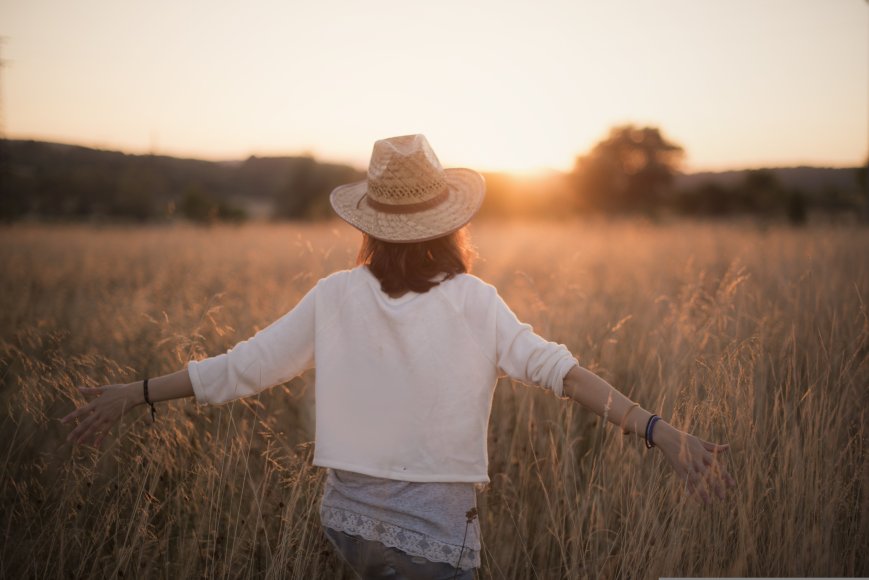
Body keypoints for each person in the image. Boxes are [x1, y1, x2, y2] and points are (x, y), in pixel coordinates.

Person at [61, 134, 736, 579]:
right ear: (451, 221)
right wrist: (658, 430)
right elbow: (562, 373)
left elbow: (240, 368)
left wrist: (137, 393)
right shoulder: (475, 301)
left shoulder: (333, 296)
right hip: (436, 544)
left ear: (371, 224)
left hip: (347, 530)